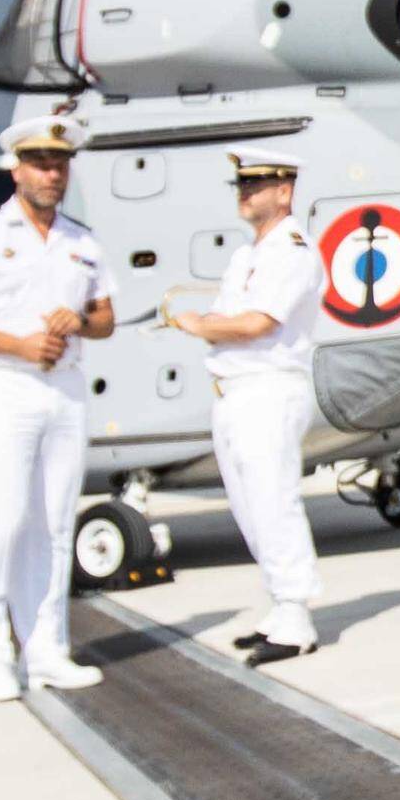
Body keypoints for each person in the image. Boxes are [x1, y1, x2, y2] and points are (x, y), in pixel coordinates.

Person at [0, 116, 112, 702]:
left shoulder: (82, 241)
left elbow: (105, 317)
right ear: (15, 167)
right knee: (2, 523)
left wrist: (78, 321)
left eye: (59, 163)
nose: (51, 173)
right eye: (39, 162)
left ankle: (47, 650)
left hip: (63, 387)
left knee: (54, 526)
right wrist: (19, 345)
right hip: (1, 385)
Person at [167, 141, 329, 663]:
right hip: (235, 391)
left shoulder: (293, 250)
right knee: (247, 502)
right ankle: (280, 607)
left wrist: (197, 324)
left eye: (256, 184)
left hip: (268, 388)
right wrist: (212, 325)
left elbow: (257, 323)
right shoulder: (248, 255)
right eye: (242, 184)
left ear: (284, 192)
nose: (245, 192)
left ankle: (296, 613)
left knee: (272, 499)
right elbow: (229, 318)